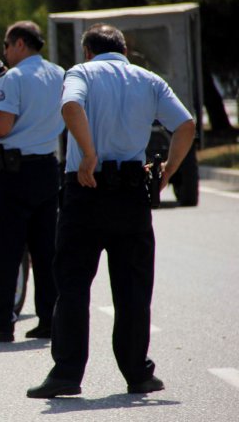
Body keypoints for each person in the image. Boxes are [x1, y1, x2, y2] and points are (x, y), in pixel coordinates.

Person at [27, 23, 195, 398]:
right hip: (132, 193)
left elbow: (71, 105)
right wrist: (168, 170)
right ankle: (138, 374)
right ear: (123, 49)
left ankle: (67, 374)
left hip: (86, 191)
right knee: (134, 289)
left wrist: (88, 153)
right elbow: (185, 124)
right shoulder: (148, 80)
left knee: (71, 285)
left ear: (88, 51)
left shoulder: (81, 72)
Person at [0, 21, 63, 343]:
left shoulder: (12, 79)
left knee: (5, 251)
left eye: (8, 45)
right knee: (45, 249)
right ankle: (49, 320)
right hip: (46, 169)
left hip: (12, 173)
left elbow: (3, 126)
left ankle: (2, 324)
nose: (7, 52)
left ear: (21, 44)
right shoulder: (59, 74)